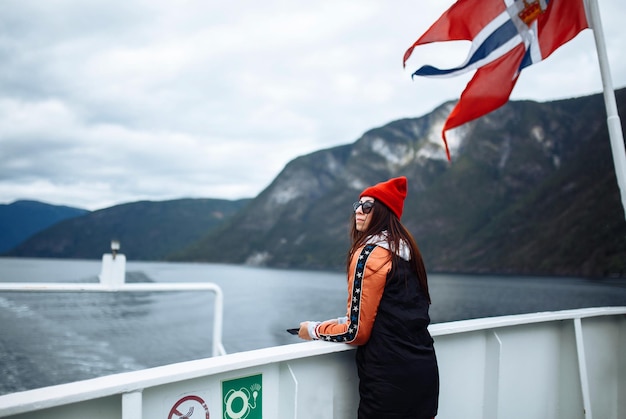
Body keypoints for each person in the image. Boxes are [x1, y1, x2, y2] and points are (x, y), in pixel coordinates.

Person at [298, 176, 439, 419]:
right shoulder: (406, 251)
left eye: (368, 207)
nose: (359, 212)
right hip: (424, 374)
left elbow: (356, 333)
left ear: (383, 212)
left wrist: (312, 330)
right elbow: (394, 312)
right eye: (357, 205)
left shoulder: (370, 254)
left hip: (389, 382)